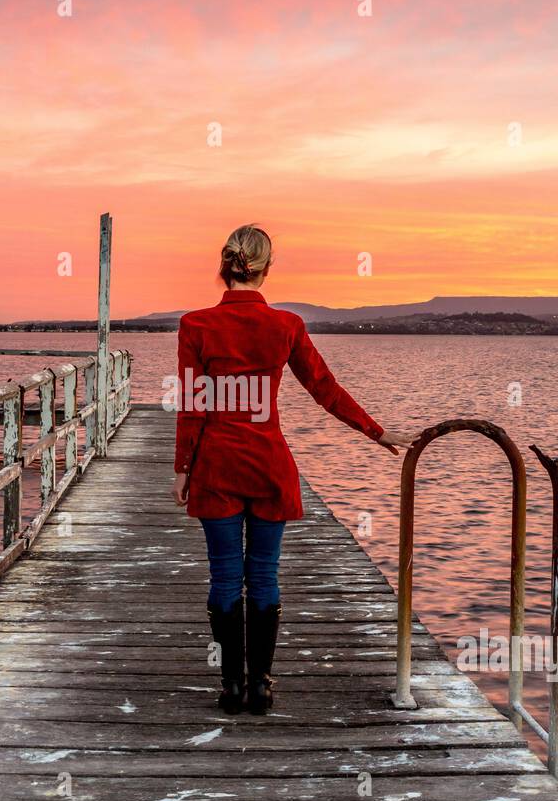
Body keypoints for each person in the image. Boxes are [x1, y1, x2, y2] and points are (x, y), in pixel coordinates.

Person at [171, 224, 412, 715]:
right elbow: (325, 388)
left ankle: (231, 687)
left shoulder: (196, 325)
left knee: (223, 578)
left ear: (225, 266)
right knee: (263, 577)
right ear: (266, 268)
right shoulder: (286, 326)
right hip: (268, 465)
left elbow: (193, 407)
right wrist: (375, 431)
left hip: (216, 464)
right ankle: (260, 685)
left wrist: (182, 468)